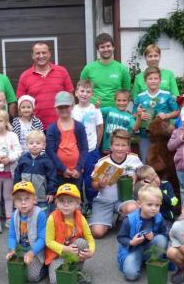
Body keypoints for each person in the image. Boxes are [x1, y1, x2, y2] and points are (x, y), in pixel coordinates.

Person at [89, 129, 142, 239]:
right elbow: (93, 184)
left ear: (128, 146)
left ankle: (123, 217)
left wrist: (136, 176)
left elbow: (144, 173)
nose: (120, 148)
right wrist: (100, 184)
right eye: (117, 145)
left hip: (125, 199)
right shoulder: (103, 162)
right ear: (111, 146)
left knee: (133, 208)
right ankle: (109, 220)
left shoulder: (134, 159)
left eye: (123, 145)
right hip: (104, 200)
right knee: (97, 233)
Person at [44, 183, 95, 284]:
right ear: (56, 203)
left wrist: (91, 251)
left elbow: (89, 238)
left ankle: (76, 270)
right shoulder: (52, 218)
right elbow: (48, 241)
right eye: (62, 201)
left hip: (74, 252)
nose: (66, 205)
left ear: (77, 204)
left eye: (70, 201)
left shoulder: (80, 217)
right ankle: (63, 271)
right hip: (58, 256)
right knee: (55, 283)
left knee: (82, 242)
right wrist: (66, 249)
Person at [116, 185, 169, 281]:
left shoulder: (159, 217)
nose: (154, 208)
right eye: (149, 205)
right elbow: (121, 237)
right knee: (131, 275)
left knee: (161, 239)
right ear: (139, 204)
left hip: (150, 247)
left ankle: (154, 262)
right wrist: (132, 242)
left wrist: (154, 235)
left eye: (157, 205)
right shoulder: (129, 220)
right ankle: (139, 261)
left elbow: (165, 233)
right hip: (133, 249)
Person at [16, 41, 74, 127]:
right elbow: (20, 103)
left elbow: (70, 97)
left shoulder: (62, 71)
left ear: (49, 54)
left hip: (61, 125)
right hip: (35, 128)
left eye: (44, 53)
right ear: (32, 56)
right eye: (37, 53)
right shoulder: (25, 76)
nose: (41, 56)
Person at [132, 66, 180, 163]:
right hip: (145, 135)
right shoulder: (140, 97)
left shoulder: (167, 95)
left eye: (156, 78)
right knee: (146, 160)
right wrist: (139, 116)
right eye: (150, 79)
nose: (153, 81)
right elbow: (134, 114)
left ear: (160, 80)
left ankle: (164, 179)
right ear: (145, 81)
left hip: (163, 135)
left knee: (164, 160)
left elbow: (177, 112)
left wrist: (167, 116)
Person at [6, 181, 48, 283]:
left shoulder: (40, 214)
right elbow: (11, 236)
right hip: (21, 250)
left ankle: (45, 268)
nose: (23, 202)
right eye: (19, 199)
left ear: (34, 199)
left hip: (36, 251)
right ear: (14, 203)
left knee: (32, 277)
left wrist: (31, 253)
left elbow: (42, 239)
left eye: (27, 198)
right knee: (13, 272)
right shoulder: (14, 215)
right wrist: (12, 250)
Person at [71, 79, 104, 210]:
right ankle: (77, 204)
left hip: (91, 150)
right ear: (76, 93)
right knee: (76, 177)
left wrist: (97, 145)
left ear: (92, 94)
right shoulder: (73, 110)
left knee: (91, 178)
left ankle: (92, 204)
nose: (84, 94)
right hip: (76, 151)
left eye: (88, 91)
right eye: (82, 91)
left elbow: (100, 128)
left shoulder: (95, 110)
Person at [45, 91, 88, 190]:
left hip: (76, 173)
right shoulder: (52, 128)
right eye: (60, 107)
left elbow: (84, 149)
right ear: (56, 109)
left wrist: (78, 168)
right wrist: (63, 169)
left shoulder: (79, 126)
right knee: (60, 198)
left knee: (75, 198)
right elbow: (50, 151)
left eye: (66, 106)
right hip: (59, 173)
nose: (64, 109)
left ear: (72, 106)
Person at [80, 33, 131, 109]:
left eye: (108, 46)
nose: (106, 49)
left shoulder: (122, 69)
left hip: (116, 111)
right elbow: (82, 90)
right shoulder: (88, 69)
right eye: (102, 47)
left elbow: (126, 92)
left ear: (113, 47)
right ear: (98, 49)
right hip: (94, 111)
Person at [13, 130, 57, 209]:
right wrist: (16, 189)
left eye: (38, 143)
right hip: (25, 197)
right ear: (26, 145)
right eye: (31, 143)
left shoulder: (47, 161)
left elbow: (52, 178)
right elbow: (17, 176)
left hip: (41, 197)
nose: (34, 145)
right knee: (26, 216)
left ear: (44, 145)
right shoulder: (23, 159)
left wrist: (51, 192)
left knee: (42, 216)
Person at [99, 89, 135, 154]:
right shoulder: (109, 110)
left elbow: (135, 128)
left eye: (124, 100)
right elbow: (95, 111)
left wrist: (139, 118)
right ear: (115, 101)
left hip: (122, 150)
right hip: (107, 149)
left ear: (128, 101)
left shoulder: (129, 117)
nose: (121, 103)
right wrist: (96, 106)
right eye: (119, 100)